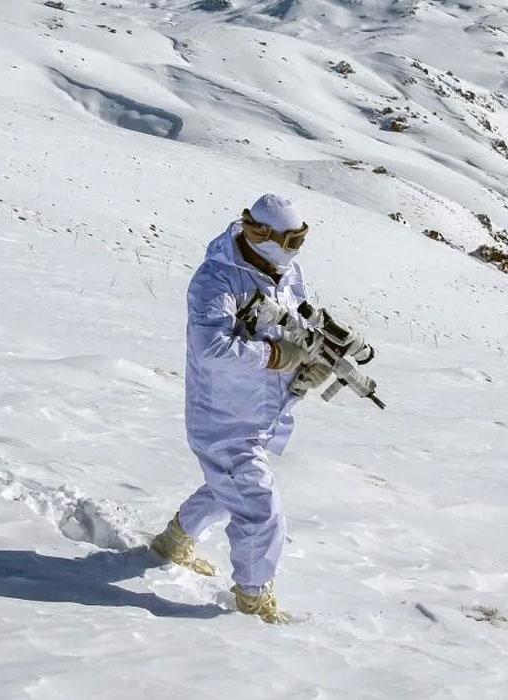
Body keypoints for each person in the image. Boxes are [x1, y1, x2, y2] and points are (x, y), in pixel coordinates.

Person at [150, 194, 332, 624]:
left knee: (226, 487)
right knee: (259, 506)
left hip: (261, 412)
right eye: (289, 241)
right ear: (262, 236)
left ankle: (174, 541)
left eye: (300, 241)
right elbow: (211, 347)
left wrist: (311, 361)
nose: (294, 251)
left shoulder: (286, 274)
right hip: (222, 417)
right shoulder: (215, 280)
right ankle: (253, 598)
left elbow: (298, 325)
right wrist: (275, 357)